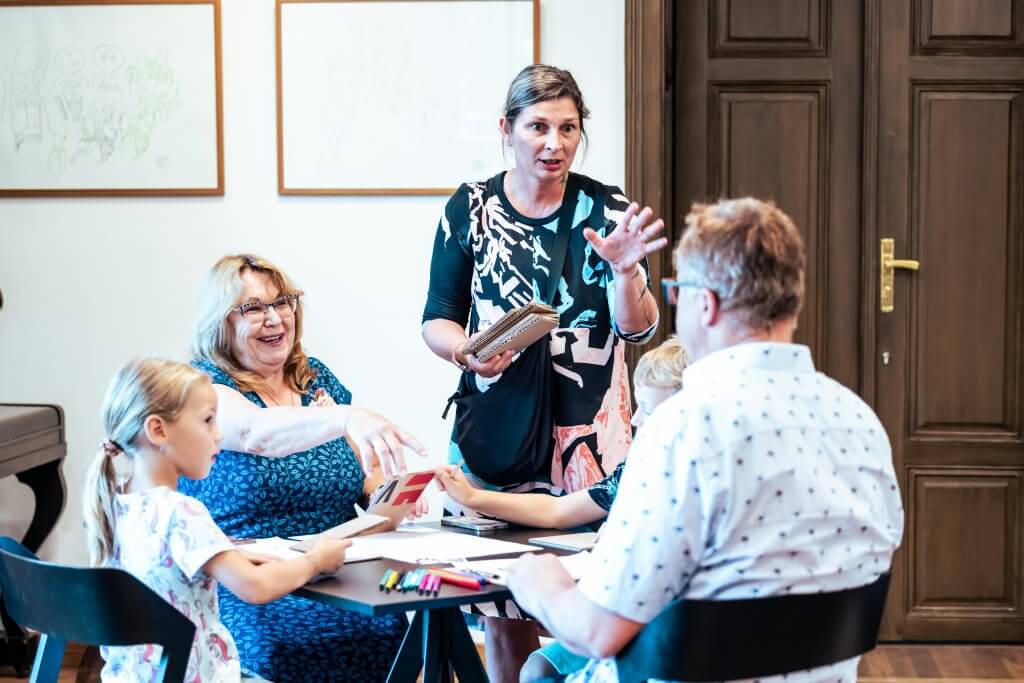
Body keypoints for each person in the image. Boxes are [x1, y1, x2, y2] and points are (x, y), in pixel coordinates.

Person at [507, 198, 905, 683]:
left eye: (675, 292)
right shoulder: (861, 423)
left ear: (706, 303)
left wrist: (540, 584)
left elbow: (596, 632)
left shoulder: (683, 428)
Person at [421, 63, 667, 681]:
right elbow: (436, 319)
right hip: (499, 427)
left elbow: (638, 329)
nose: (554, 143)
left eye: (568, 128)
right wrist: (466, 352)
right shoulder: (471, 207)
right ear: (506, 129)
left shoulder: (606, 208)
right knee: (504, 605)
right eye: (537, 127)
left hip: (592, 434)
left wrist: (625, 273)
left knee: (591, 595)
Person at [178, 254, 426, 683]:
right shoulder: (203, 387)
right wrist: (348, 416)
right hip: (250, 579)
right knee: (278, 643)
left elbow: (359, 473)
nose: (275, 318)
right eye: (253, 308)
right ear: (221, 322)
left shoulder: (314, 378)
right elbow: (256, 433)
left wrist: (388, 494)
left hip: (336, 570)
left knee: (392, 627)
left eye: (282, 302)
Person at [82, 358, 352, 682]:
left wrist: (223, 553)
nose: (219, 434)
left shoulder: (112, 504)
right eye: (208, 421)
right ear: (158, 430)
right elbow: (257, 587)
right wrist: (315, 561)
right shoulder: (181, 512)